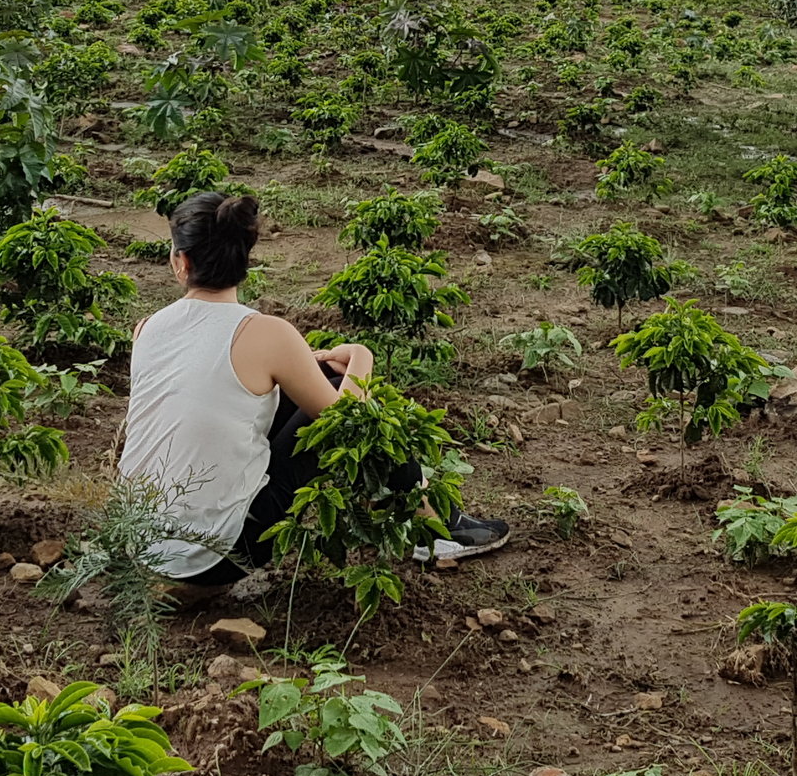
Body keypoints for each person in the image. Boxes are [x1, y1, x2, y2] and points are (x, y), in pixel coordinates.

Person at [114, 190, 508, 601]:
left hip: (137, 542)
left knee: (311, 379)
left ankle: (422, 506)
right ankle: (438, 527)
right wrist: (362, 356)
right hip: (219, 555)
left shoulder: (148, 328)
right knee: (350, 402)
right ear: (246, 259)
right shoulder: (266, 332)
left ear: (181, 261)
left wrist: (305, 366)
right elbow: (350, 421)